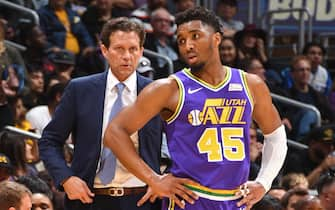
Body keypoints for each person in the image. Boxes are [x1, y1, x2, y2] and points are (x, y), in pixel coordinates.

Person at [104, 7, 287, 210]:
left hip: (236, 200)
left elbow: (276, 135)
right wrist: (154, 179)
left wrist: (264, 181)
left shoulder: (250, 84)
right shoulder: (169, 88)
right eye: (181, 40)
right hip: (190, 200)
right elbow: (114, 132)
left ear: (217, 39)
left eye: (195, 36)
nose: (187, 45)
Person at [38, 17, 162, 210]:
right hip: (90, 199)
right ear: (105, 50)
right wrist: (66, 178)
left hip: (143, 199)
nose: (127, 56)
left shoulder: (157, 92)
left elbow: (180, 143)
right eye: (119, 49)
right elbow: (50, 140)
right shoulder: (80, 89)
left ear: (141, 52)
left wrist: (165, 178)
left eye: (133, 49)